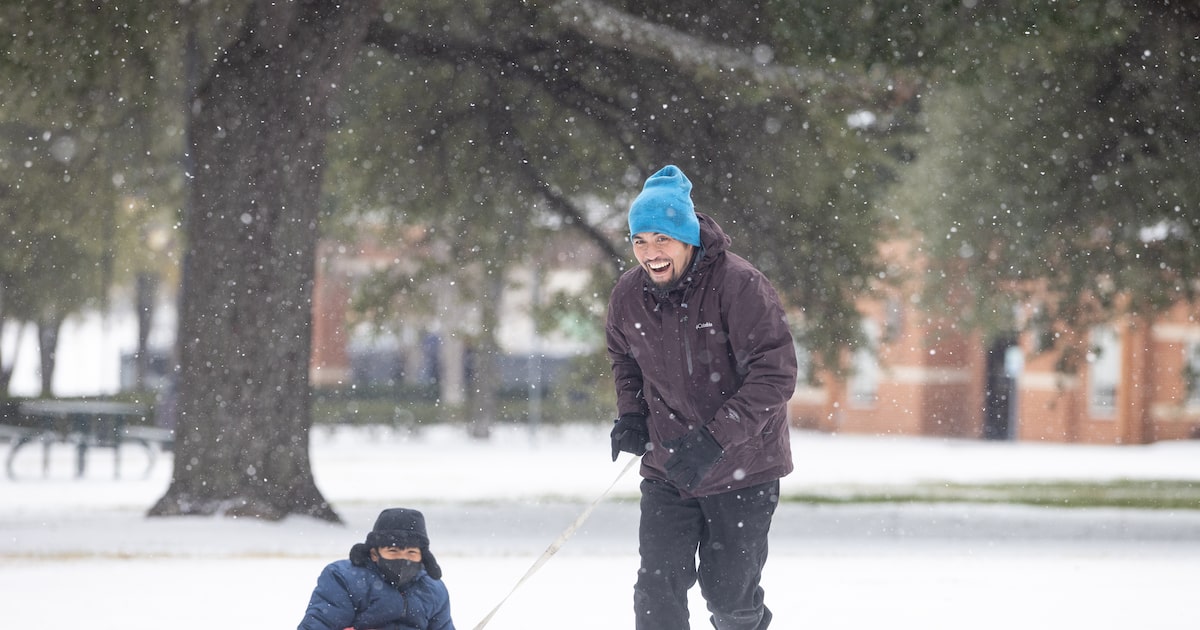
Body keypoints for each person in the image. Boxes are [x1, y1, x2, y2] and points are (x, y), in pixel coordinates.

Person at [606, 165, 798, 630]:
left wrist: (716, 439)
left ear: (687, 238)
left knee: (730, 597)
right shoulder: (629, 295)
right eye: (639, 241)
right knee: (656, 589)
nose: (650, 253)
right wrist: (632, 415)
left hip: (743, 467)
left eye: (661, 239)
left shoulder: (739, 285)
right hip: (669, 467)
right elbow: (624, 360)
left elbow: (775, 374)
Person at [299, 507, 455, 630]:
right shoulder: (344, 579)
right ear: (375, 553)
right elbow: (319, 625)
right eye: (393, 551)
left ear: (422, 556)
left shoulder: (433, 589)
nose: (403, 559)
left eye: (411, 552)